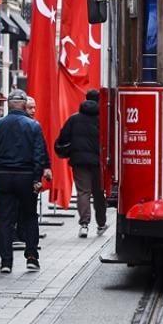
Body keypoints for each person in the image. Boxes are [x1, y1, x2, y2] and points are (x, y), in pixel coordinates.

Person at [0, 89, 52, 274]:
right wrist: (37, 178)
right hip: (26, 176)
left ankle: (6, 262)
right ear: (23, 105)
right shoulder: (33, 126)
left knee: (5, 220)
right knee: (30, 217)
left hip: (3, 176)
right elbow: (38, 154)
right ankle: (31, 256)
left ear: (8, 105)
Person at [55, 89, 107, 238]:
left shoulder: (74, 119)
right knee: (99, 192)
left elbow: (63, 139)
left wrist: (71, 150)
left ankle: (84, 224)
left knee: (83, 192)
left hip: (79, 161)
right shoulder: (103, 118)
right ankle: (101, 223)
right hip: (99, 162)